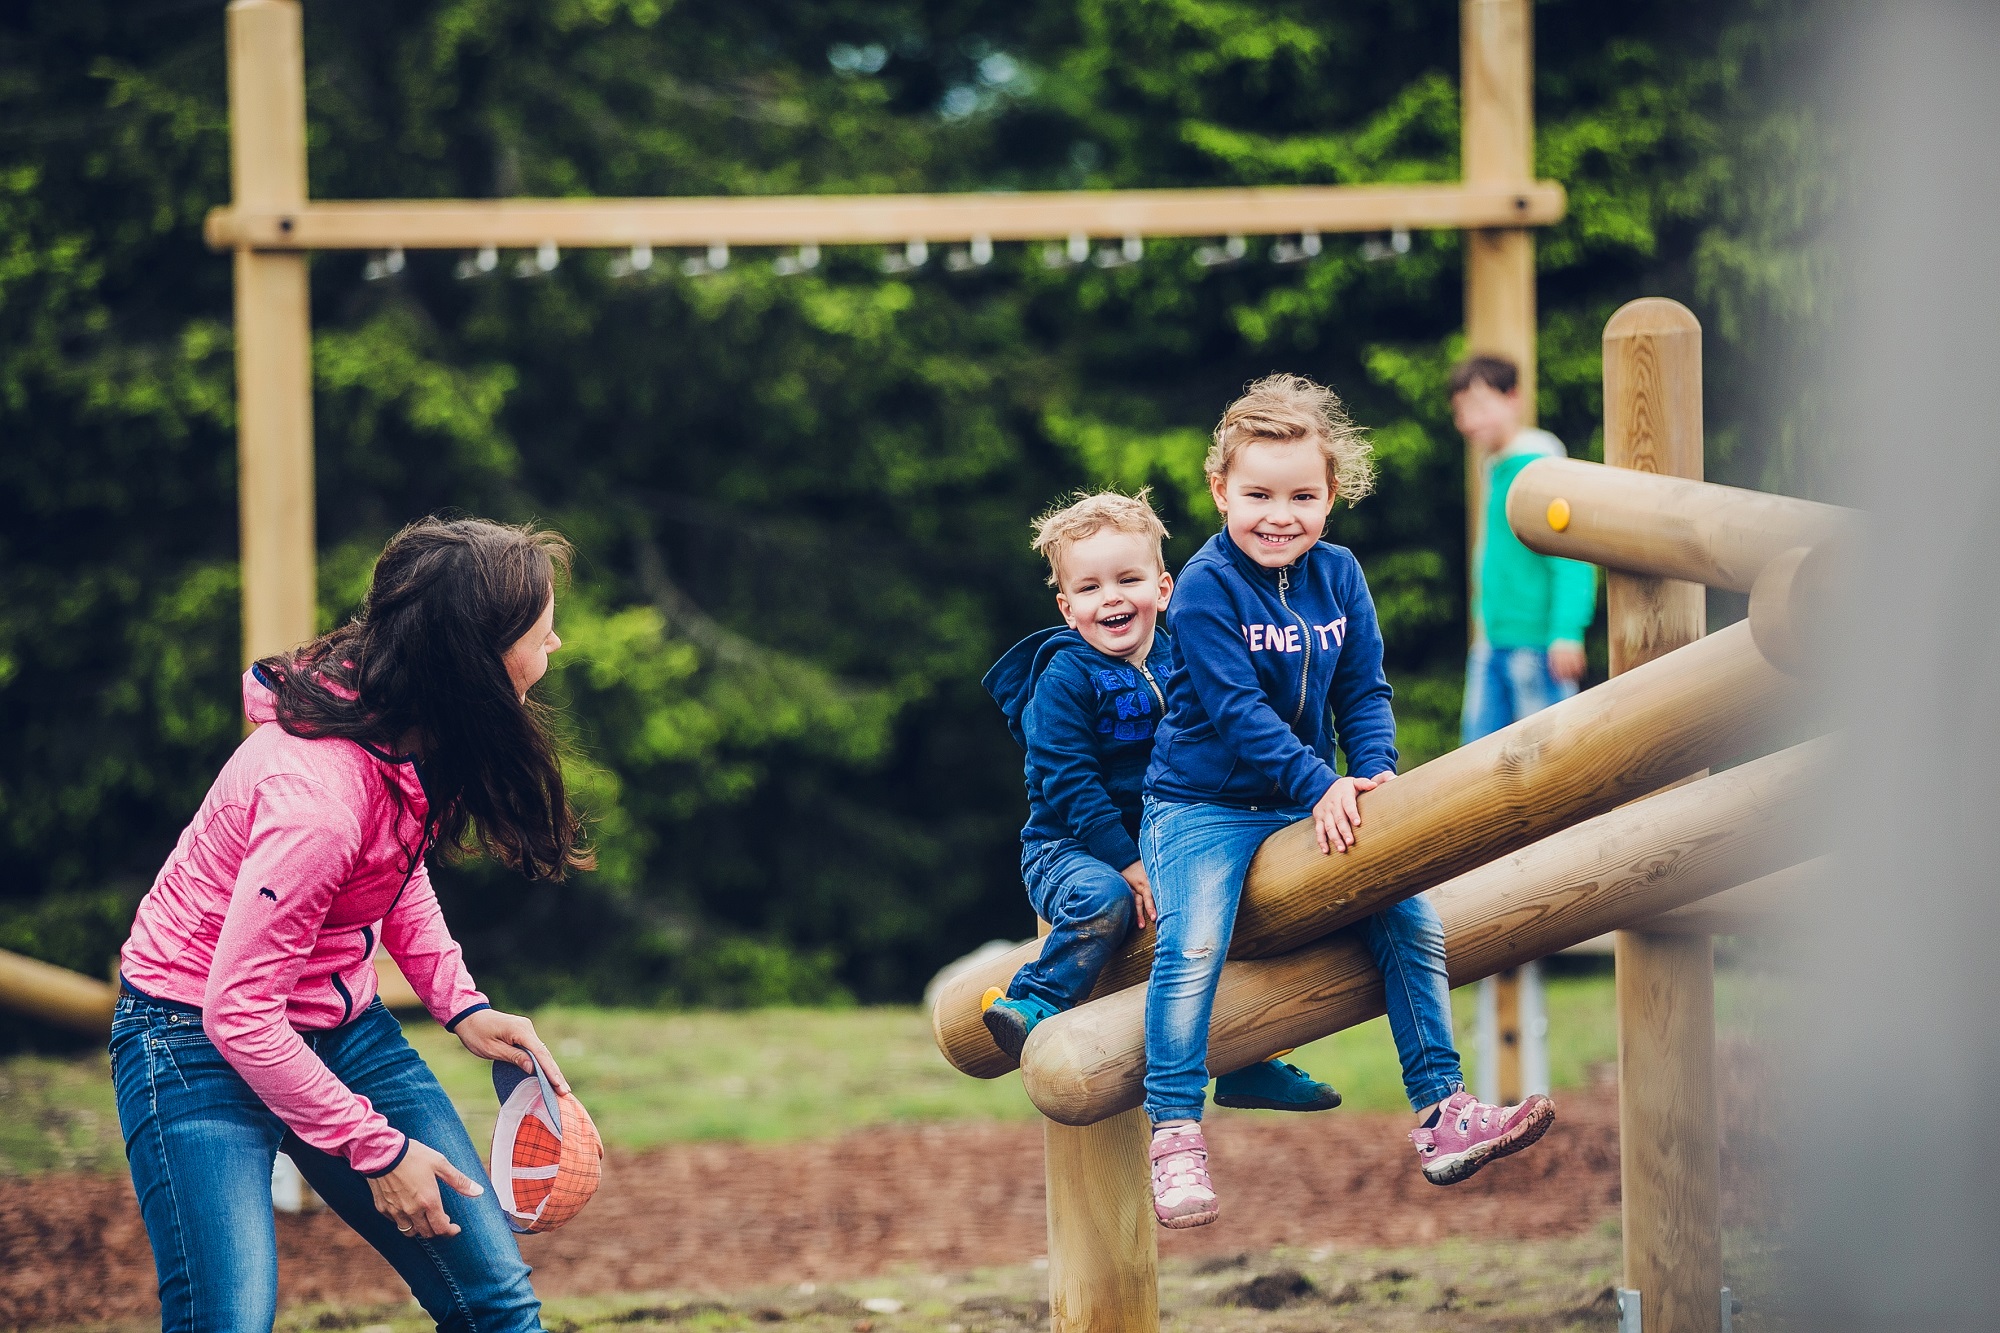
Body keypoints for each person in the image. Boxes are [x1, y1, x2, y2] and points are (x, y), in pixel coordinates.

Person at [112, 517, 592, 1332]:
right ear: (474, 660)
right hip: (192, 1038)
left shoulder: (401, 734)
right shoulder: (319, 804)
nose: (554, 646)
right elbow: (239, 1013)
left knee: (496, 1305)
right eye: (538, 635)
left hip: (337, 1028)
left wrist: (463, 1005)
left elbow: (387, 875)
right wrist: (379, 1149)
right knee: (226, 1319)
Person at [1138, 375, 1556, 1230]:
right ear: (1220, 490)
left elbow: (1364, 690)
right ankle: (1176, 1127)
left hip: (1308, 798)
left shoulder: (1338, 575)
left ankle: (1443, 1112)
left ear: (1333, 495)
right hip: (1201, 806)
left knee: (1407, 912)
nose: (1279, 514)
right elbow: (1235, 712)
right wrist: (1320, 782)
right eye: (1257, 494)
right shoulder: (1208, 586)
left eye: (1303, 494)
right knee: (1196, 941)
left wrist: (1372, 774)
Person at [981, 492, 1339, 1114]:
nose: (1112, 598)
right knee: (1105, 900)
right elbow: (1067, 784)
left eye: (1128, 579)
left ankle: (1245, 1060)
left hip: (1167, 834)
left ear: (1165, 588)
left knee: (1212, 910)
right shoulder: (1065, 679)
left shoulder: (1186, 657)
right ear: (1068, 609)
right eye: (1090, 588)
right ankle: (1037, 997)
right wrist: (1124, 861)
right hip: (1070, 846)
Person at [1449, 355, 1598, 743]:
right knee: (1477, 761)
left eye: (1480, 406)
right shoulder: (1496, 466)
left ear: (1513, 397)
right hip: (1492, 639)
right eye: (1461, 410)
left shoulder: (1540, 466)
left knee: (1548, 761)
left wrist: (1566, 631)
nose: (1469, 420)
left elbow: (1571, 554)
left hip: (1538, 642)